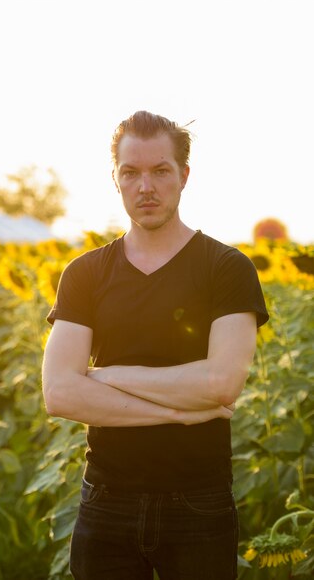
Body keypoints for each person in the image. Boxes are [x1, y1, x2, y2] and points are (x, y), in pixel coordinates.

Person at [42, 110, 269, 580]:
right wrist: (180, 409)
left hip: (198, 504)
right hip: (105, 501)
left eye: (160, 171)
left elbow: (222, 384)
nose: (146, 186)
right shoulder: (84, 274)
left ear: (184, 176)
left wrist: (104, 378)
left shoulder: (227, 269)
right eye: (131, 172)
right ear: (115, 179)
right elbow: (60, 394)